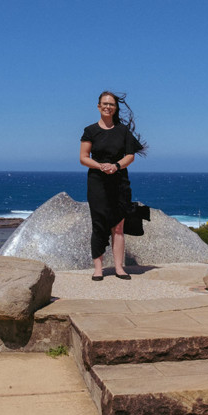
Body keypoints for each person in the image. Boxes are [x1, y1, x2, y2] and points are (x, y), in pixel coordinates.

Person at [80, 91, 147, 281]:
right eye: (104, 103)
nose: (108, 107)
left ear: (115, 108)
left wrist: (116, 166)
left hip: (119, 181)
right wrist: (101, 166)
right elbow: (83, 158)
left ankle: (119, 267)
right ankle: (98, 268)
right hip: (97, 182)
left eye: (111, 104)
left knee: (118, 226)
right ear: (98, 106)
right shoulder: (90, 130)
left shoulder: (123, 131)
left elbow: (130, 156)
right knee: (99, 224)